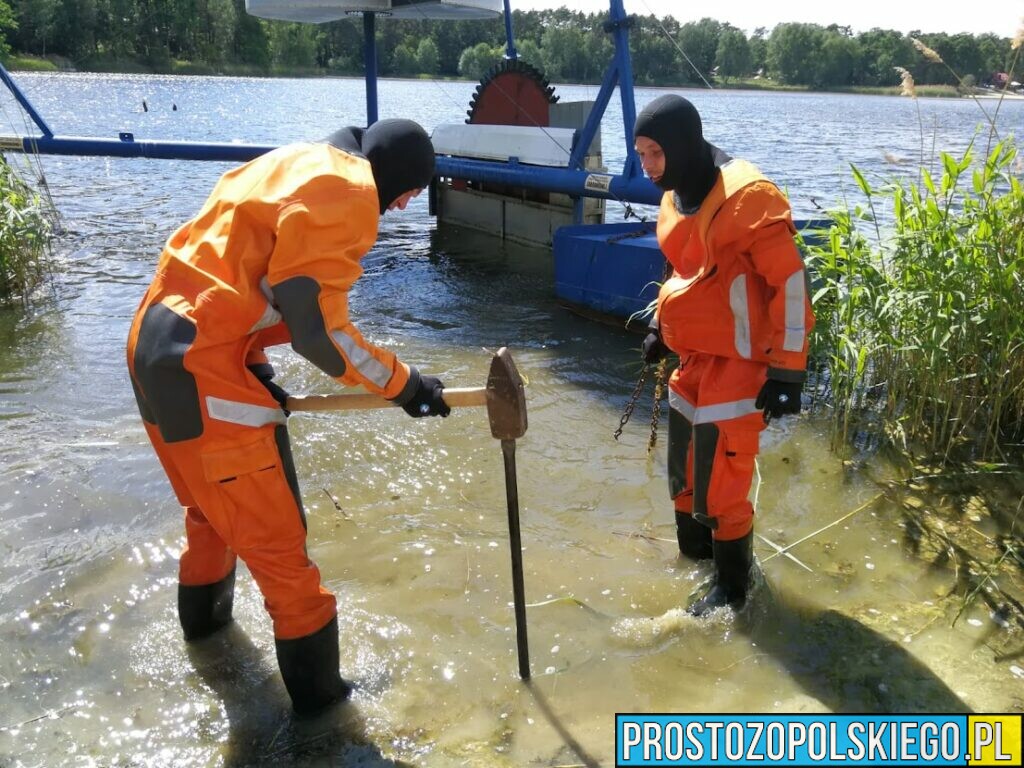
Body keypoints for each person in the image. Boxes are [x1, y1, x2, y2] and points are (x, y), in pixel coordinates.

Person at [126, 118, 450, 717]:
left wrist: (251, 363)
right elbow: (320, 334)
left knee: (209, 518)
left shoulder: (295, 161)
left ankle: (210, 658)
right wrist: (407, 386)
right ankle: (329, 731)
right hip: (200, 370)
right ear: (399, 185)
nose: (401, 209)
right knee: (286, 563)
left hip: (153, 346)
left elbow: (226, 270)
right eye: (406, 197)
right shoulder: (352, 193)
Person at [633, 94, 814, 616]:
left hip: (742, 367)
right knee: (684, 473)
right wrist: (661, 328)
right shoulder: (674, 195)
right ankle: (695, 561)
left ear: (683, 146)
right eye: (641, 154)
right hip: (695, 360)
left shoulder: (748, 199)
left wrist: (788, 373)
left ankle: (733, 595)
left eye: (655, 154)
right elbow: (685, 270)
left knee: (723, 485)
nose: (647, 166)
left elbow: (792, 287)